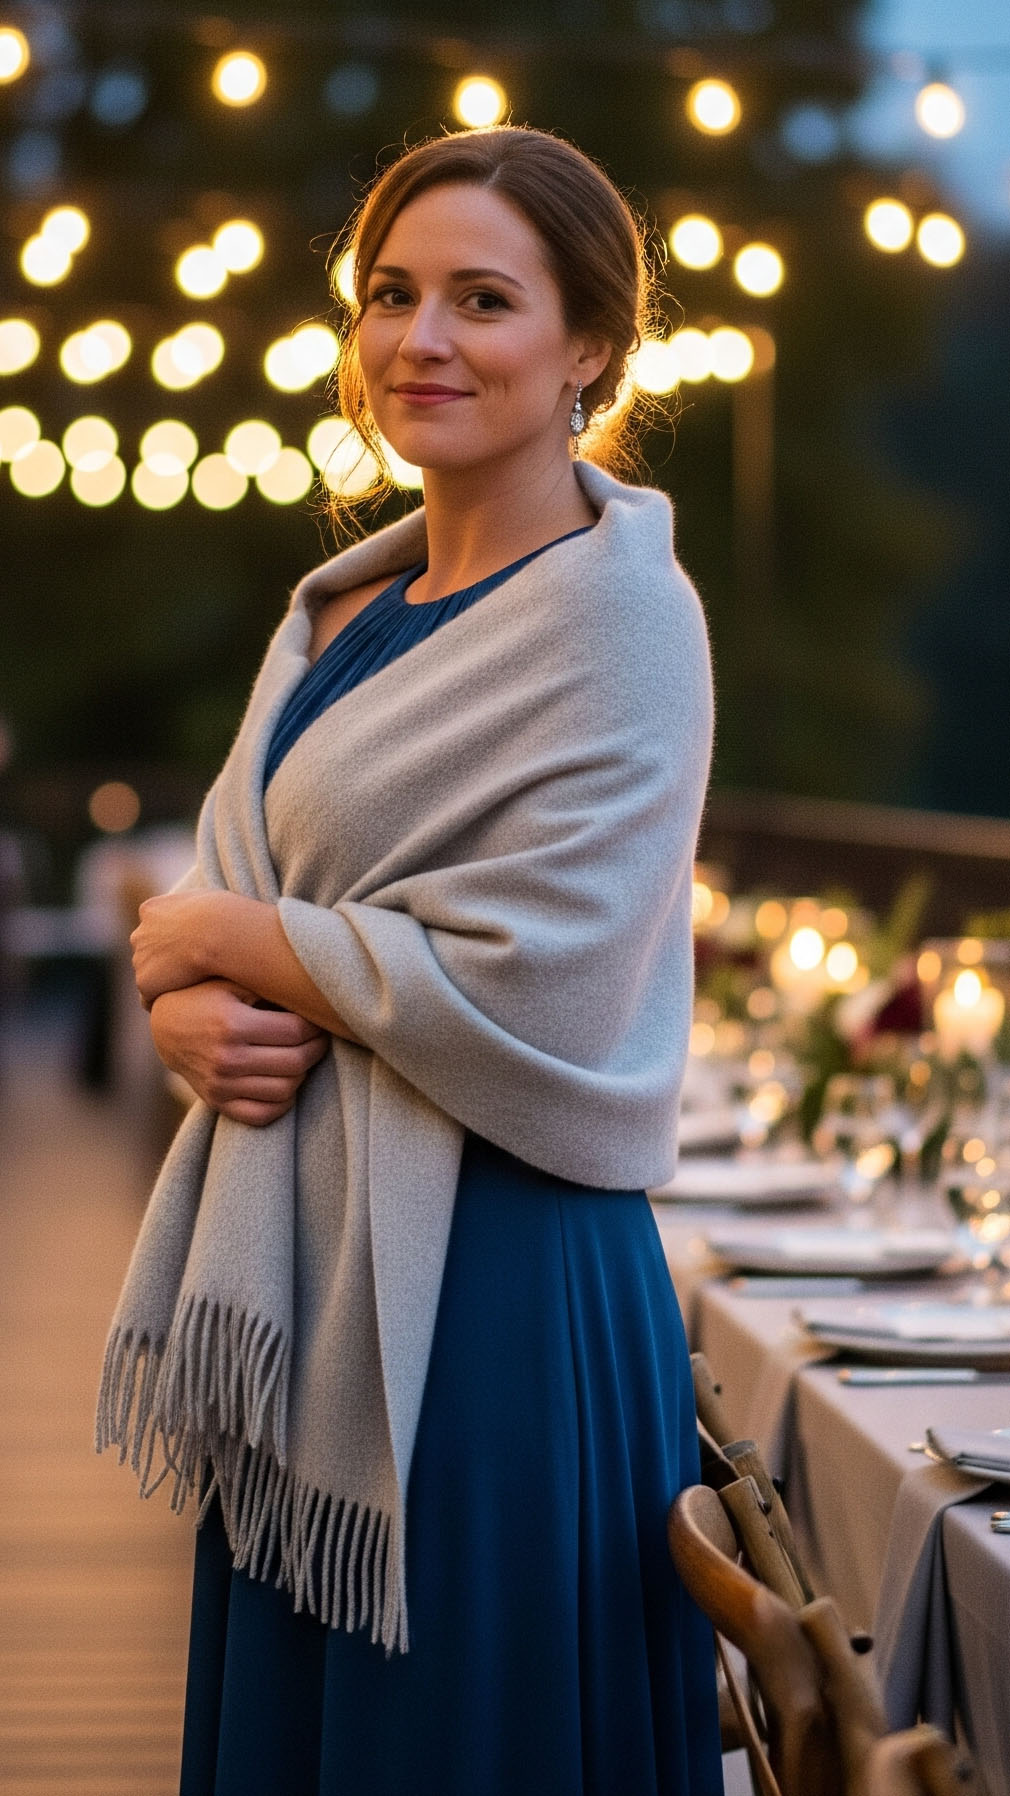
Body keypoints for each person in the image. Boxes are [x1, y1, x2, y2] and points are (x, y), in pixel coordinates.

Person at [101, 125, 723, 1795]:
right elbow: (219, 893)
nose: (420, 339)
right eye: (390, 294)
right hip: (312, 1259)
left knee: (458, 1733)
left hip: (499, 1278)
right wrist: (184, 996)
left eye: (481, 300)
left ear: (589, 345)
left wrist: (232, 941)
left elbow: (547, 978)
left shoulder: (621, 616)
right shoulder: (336, 611)